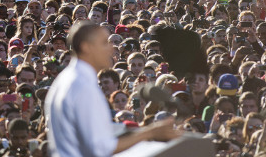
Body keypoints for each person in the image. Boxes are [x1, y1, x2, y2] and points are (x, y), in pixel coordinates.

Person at [45, 20, 180, 157]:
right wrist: (151, 132)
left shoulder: (67, 79)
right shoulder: (82, 85)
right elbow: (101, 149)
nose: (110, 48)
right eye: (104, 43)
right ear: (86, 47)